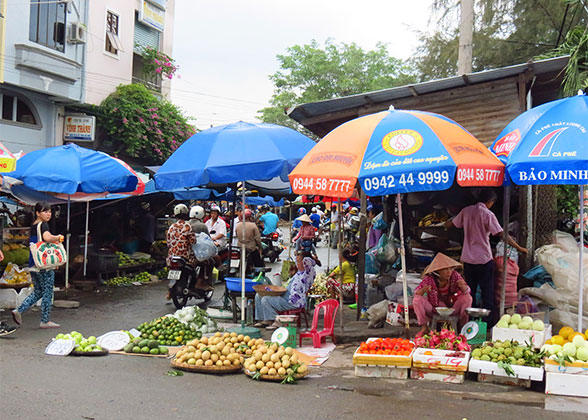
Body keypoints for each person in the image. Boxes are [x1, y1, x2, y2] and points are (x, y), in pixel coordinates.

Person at [445, 189, 527, 322]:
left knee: (469, 292)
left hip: (468, 259)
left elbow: (452, 224)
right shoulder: (488, 214)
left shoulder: (466, 211)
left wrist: (444, 224)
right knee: (487, 292)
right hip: (483, 259)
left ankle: (470, 321)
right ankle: (488, 323)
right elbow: (502, 234)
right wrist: (519, 248)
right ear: (490, 202)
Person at [12, 202, 64, 329]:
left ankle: (19, 310)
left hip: (33, 264)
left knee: (38, 292)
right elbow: (47, 237)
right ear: (37, 213)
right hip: (43, 264)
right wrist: (58, 237)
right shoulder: (44, 225)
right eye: (45, 211)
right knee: (47, 292)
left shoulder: (34, 225)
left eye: (50, 211)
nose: (48, 214)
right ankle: (45, 320)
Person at [413, 253, 473, 335]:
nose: (449, 272)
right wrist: (423, 291)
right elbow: (416, 292)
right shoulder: (429, 279)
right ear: (437, 272)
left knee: (467, 298)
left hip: (453, 308)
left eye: (450, 269)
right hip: (434, 309)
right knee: (417, 300)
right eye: (445, 270)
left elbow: (467, 290)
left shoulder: (455, 275)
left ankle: (463, 328)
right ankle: (424, 328)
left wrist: (463, 288)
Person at [254, 251, 316, 329]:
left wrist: (302, 255)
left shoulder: (308, 273)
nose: (298, 264)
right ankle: (263, 319)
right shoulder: (299, 273)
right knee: (258, 295)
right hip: (285, 296)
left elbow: (308, 262)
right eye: (297, 261)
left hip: (293, 302)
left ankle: (274, 320)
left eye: (300, 262)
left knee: (265, 299)